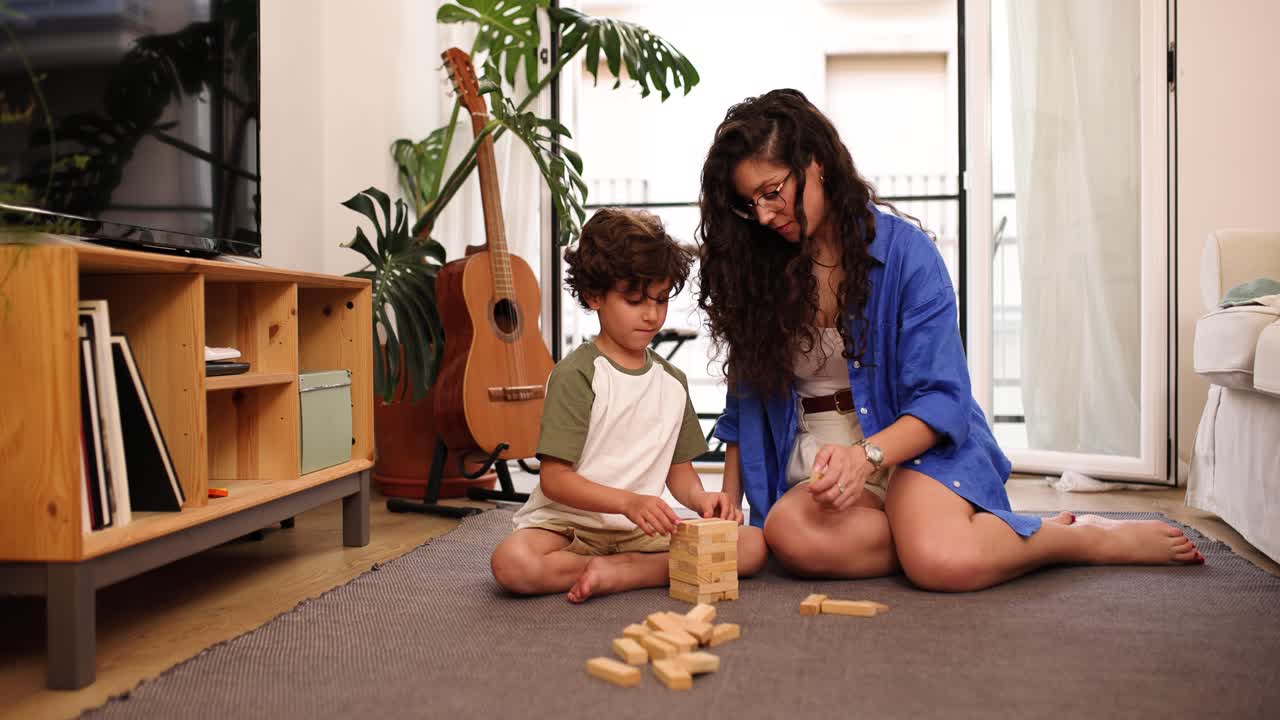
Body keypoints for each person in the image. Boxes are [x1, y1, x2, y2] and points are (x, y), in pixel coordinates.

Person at [695, 89, 1202, 592]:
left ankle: (1076, 540)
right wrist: (728, 498)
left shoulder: (907, 255)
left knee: (940, 563)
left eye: (771, 191)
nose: (763, 215)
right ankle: (940, 534)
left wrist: (866, 457)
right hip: (819, 453)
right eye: (748, 204)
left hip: (909, 442)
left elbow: (943, 400)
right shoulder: (759, 269)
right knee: (788, 533)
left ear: (816, 162)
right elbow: (748, 398)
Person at [491, 208, 768, 602]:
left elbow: (680, 473)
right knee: (512, 562)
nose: (652, 314)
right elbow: (554, 479)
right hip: (569, 528)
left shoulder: (672, 383)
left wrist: (702, 498)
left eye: (660, 299)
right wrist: (628, 502)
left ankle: (632, 571)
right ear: (594, 296)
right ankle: (642, 569)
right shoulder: (578, 374)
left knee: (752, 545)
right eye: (635, 300)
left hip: (641, 534)